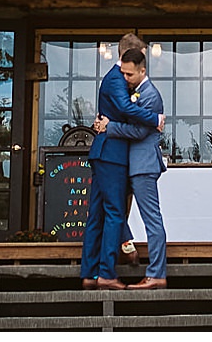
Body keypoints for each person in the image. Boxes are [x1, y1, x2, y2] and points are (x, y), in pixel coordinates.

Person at [79, 33, 160, 290]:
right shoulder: (116, 79)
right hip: (112, 154)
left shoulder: (117, 79)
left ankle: (89, 273)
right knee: (115, 213)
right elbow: (125, 109)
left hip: (106, 152)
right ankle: (105, 274)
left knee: (98, 215)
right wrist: (155, 119)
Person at [94, 46, 169, 290]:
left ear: (142, 71)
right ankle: (127, 247)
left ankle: (156, 273)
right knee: (116, 210)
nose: (124, 78)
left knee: (152, 221)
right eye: (123, 74)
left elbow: (138, 131)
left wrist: (109, 127)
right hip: (129, 165)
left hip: (144, 165)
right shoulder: (135, 92)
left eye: (129, 75)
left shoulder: (150, 95)